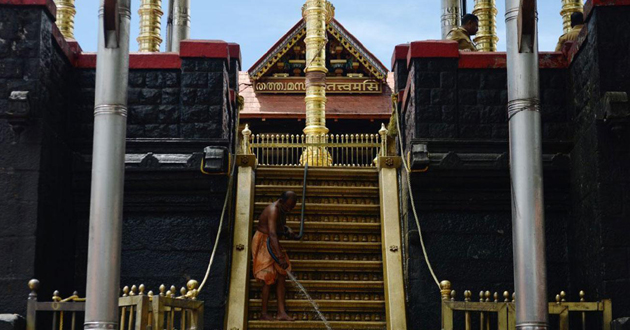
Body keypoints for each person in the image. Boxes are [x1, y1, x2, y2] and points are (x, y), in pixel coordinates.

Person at [251, 191, 298, 321]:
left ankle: (281, 312)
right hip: (263, 242)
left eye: (292, 207)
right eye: (288, 206)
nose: (289, 209)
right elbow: (272, 234)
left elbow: (278, 228)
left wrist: (287, 230)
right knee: (268, 277)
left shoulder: (282, 210)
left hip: (272, 241)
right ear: (281, 201)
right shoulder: (273, 210)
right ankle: (264, 313)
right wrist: (280, 257)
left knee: (282, 274)